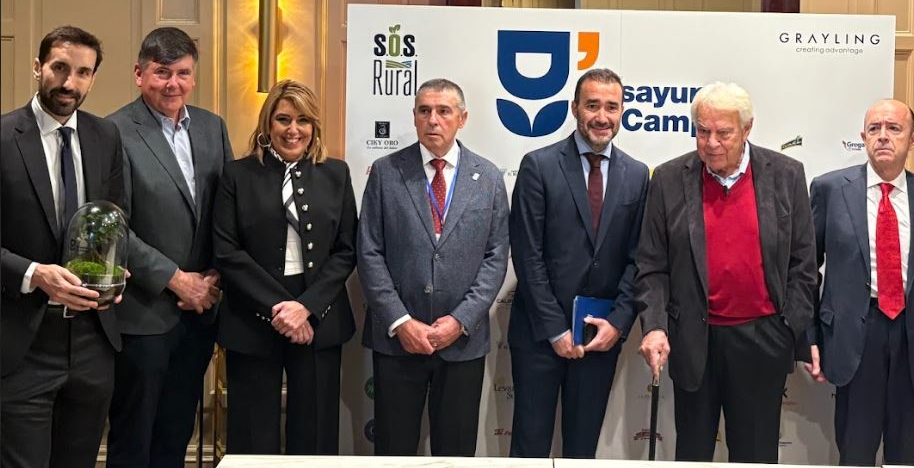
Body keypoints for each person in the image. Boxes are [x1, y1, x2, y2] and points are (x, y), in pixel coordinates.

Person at [636, 81, 818, 462]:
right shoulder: (669, 179)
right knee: (693, 453)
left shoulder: (786, 174)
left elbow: (804, 262)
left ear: (747, 129)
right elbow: (652, 265)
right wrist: (654, 325)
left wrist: (788, 328)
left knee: (755, 455)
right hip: (693, 339)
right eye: (702, 131)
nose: (711, 143)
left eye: (723, 133)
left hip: (762, 340)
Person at [806, 98, 914, 466]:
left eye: (894, 129)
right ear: (863, 137)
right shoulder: (829, 190)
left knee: (905, 452)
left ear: (913, 139)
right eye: (875, 129)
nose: (883, 137)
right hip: (855, 334)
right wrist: (809, 339)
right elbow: (805, 271)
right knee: (856, 450)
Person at [358, 78, 510, 457]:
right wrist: (400, 321)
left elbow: (496, 256)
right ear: (413, 117)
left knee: (455, 453)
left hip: (461, 343)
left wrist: (460, 321)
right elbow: (369, 252)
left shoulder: (489, 177)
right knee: (393, 451)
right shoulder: (386, 171)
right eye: (424, 111)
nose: (433, 120)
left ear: (462, 118)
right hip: (398, 342)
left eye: (444, 111)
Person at [105, 27, 233, 468]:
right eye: (162, 73)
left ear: (193, 77)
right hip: (144, 314)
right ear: (139, 74)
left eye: (182, 73)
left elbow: (228, 211)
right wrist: (177, 281)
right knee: (133, 440)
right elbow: (113, 226)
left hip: (200, 313)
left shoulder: (213, 127)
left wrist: (215, 275)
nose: (172, 84)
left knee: (176, 436)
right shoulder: (112, 132)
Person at [1, 26, 126, 468]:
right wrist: (36, 274)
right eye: (59, 68)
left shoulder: (105, 137)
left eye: (82, 72)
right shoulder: (2, 138)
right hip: (23, 344)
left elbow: (113, 220)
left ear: (93, 78)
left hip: (94, 342)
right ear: (37, 67)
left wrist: (117, 271)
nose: (69, 83)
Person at [508, 68, 649, 458]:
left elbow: (639, 259)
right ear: (574, 109)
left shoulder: (637, 175)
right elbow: (527, 253)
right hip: (540, 334)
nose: (602, 116)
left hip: (599, 337)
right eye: (592, 106)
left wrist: (618, 324)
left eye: (611, 107)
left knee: (582, 449)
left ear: (621, 112)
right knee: (529, 445)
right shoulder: (539, 165)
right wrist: (555, 329)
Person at [212, 79, 357, 454]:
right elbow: (227, 251)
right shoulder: (237, 175)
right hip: (253, 316)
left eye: (303, 120)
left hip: (318, 316)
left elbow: (346, 250)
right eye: (283, 119)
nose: (293, 130)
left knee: (316, 432)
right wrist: (282, 309)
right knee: (252, 432)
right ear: (267, 125)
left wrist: (306, 307)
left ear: (314, 127)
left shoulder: (336, 174)